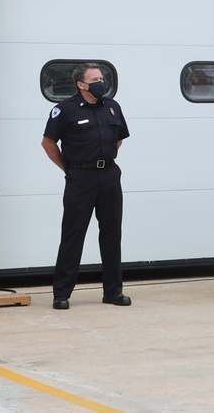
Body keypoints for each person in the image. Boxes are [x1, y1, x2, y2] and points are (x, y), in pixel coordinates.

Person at [41, 63, 131, 310]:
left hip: (109, 175)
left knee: (112, 233)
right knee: (73, 234)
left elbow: (119, 137)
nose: (101, 82)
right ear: (81, 84)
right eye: (95, 79)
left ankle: (113, 291)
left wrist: (104, 160)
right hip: (80, 177)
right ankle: (61, 294)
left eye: (102, 78)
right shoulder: (65, 110)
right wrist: (69, 169)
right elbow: (48, 143)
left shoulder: (112, 107)